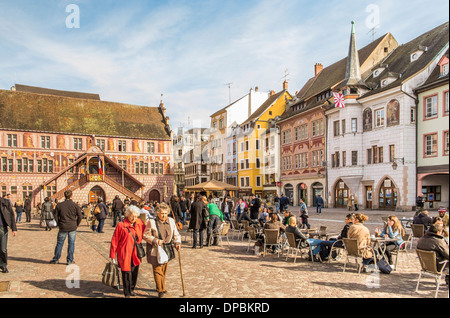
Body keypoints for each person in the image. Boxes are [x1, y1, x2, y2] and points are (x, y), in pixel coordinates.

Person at [143, 203, 181, 298]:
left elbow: (175, 233)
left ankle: (162, 287)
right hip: (155, 249)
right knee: (157, 270)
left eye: (165, 213)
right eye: (161, 213)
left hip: (167, 249)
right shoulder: (151, 222)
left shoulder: (171, 221)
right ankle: (160, 290)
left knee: (163, 269)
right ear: (157, 213)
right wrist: (155, 240)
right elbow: (145, 235)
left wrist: (177, 242)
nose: (163, 215)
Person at [110, 205, 146, 298]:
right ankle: (127, 292)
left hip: (135, 253)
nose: (133, 218)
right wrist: (113, 255)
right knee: (126, 273)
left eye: (135, 216)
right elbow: (115, 240)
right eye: (131, 216)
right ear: (127, 215)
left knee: (134, 272)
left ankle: (132, 289)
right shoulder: (121, 225)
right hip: (124, 253)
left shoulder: (139, 223)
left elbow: (146, 232)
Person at [50, 190, 82, 265]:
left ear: (64, 196)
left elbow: (55, 215)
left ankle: (56, 259)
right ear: (71, 196)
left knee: (60, 243)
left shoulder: (60, 205)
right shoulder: (75, 205)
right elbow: (80, 216)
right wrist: (77, 224)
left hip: (63, 226)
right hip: (72, 226)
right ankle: (69, 260)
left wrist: (58, 223)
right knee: (71, 243)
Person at [0, 195, 17, 273]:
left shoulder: (5, 202)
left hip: (2, 228)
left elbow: (11, 215)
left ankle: (3, 265)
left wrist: (14, 228)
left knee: (3, 249)